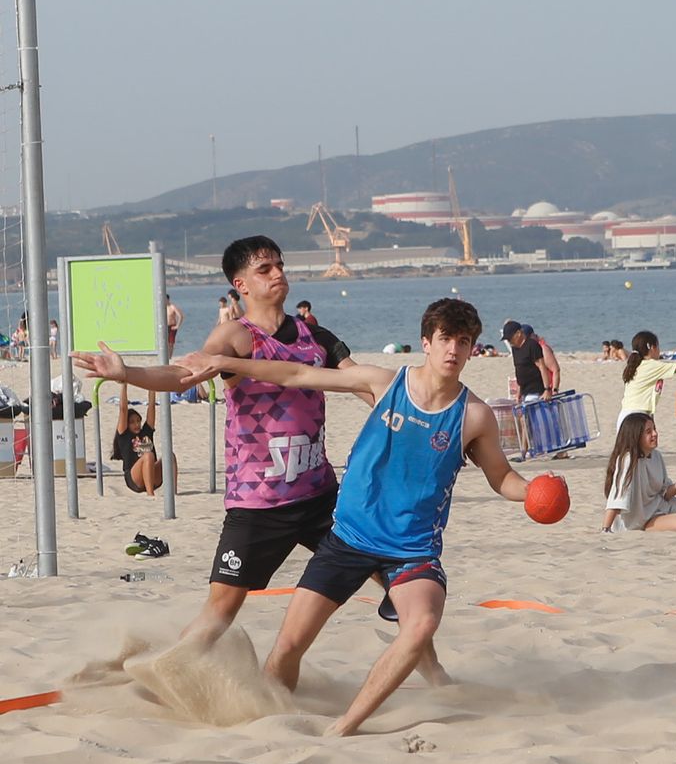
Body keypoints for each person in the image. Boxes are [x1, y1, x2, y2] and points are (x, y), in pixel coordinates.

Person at [176, 298, 539, 737]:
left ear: (470, 349)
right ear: (426, 343)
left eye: (463, 342)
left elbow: (501, 477)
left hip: (412, 551)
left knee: (420, 625)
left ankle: (346, 725)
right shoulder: (385, 383)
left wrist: (534, 492)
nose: (453, 350)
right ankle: (266, 719)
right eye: (445, 339)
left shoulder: (475, 415)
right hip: (347, 539)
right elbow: (298, 374)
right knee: (288, 646)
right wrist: (222, 361)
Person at [73, 235, 357, 665]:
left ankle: (433, 673)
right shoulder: (235, 336)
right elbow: (182, 374)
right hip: (259, 505)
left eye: (280, 264)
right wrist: (126, 372)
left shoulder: (315, 336)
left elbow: (363, 381)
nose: (278, 273)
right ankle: (156, 671)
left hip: (321, 496)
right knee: (221, 611)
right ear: (241, 285)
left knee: (389, 573)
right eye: (265, 269)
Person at [618, 330, 676, 425]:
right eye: (658, 346)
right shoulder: (651, 365)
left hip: (626, 415)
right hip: (638, 417)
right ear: (651, 347)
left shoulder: (635, 366)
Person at [112, 381, 171, 496]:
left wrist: (151, 385)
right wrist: (124, 385)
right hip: (134, 478)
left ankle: (174, 494)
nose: (137, 424)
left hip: (152, 474)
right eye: (132, 422)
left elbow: (152, 407)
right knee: (148, 455)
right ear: (127, 425)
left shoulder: (146, 432)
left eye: (138, 421)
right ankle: (150, 494)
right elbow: (123, 409)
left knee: (170, 456)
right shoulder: (124, 435)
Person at [502, 320, 560, 401]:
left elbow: (542, 367)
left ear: (518, 333)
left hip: (536, 390)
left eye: (510, 338)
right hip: (524, 391)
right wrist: (518, 393)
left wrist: (547, 389)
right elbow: (519, 370)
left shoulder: (532, 345)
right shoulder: (515, 349)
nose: (509, 341)